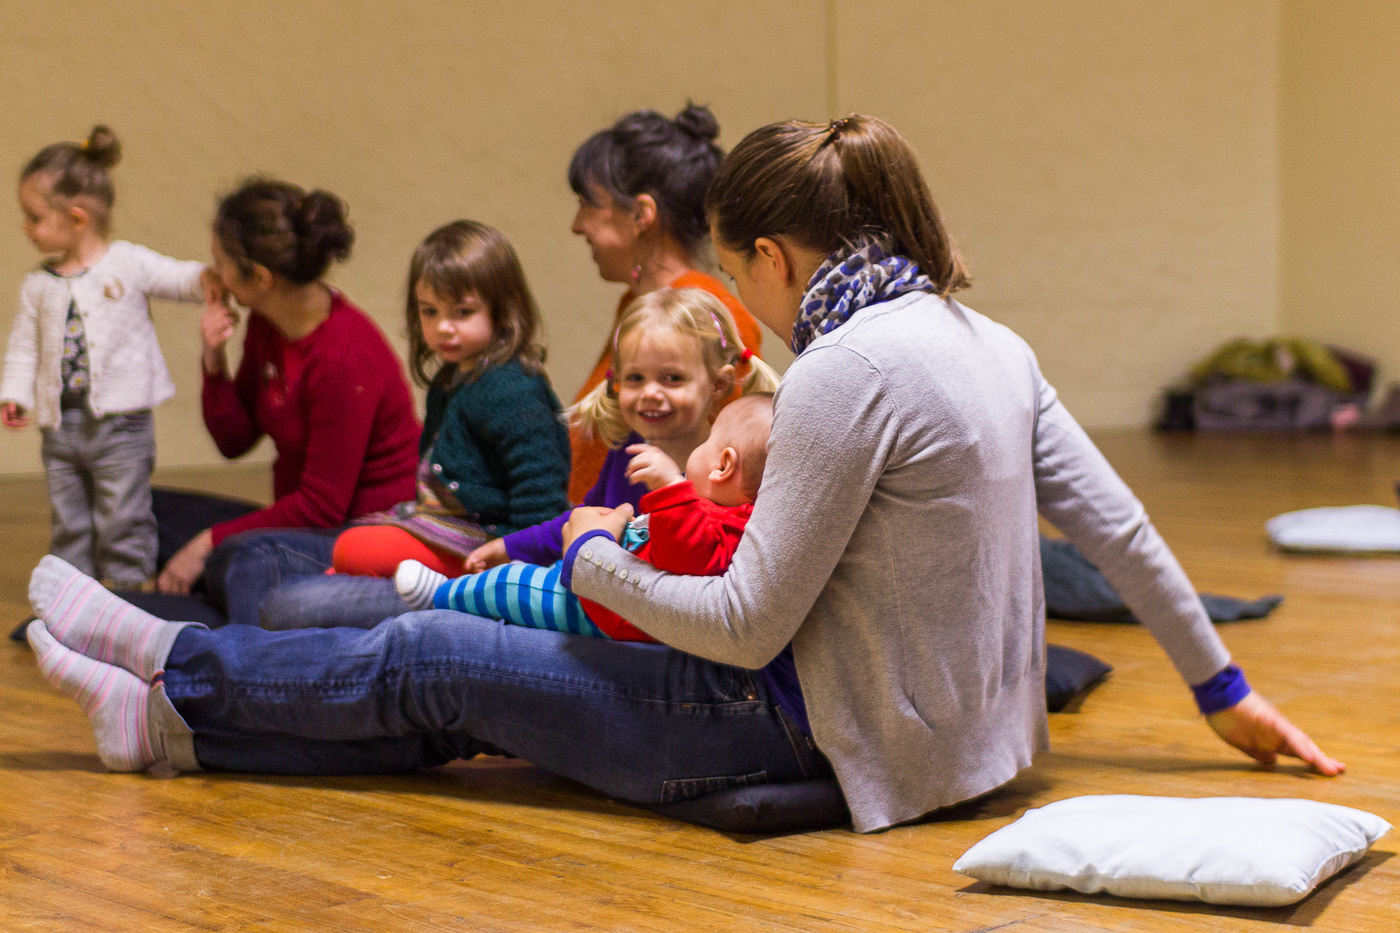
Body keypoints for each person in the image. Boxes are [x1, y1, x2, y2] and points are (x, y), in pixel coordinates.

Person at [22, 116, 1340, 835]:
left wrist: (592, 549)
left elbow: (747, 625)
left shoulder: (842, 369)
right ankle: (172, 722)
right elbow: (1119, 525)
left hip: (801, 732)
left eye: (739, 267)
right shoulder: (987, 340)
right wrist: (1220, 690)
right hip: (958, 745)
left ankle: (176, 664)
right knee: (450, 692)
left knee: (431, 651)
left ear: (771, 256)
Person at [249, 221, 573, 628]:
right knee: (338, 559)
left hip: (483, 549)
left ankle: (440, 591)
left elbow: (541, 501)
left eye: (462, 312)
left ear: (503, 309)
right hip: (444, 531)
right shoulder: (450, 379)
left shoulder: (513, 388)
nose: (442, 327)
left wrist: (509, 570)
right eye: (429, 311)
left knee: (350, 551)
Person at [151, 179, 421, 624]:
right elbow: (234, 441)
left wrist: (207, 542)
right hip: (298, 526)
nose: (212, 276)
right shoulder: (266, 324)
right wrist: (214, 361)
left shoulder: (344, 356)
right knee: (144, 509)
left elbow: (322, 507)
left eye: (220, 264)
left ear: (260, 278)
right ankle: (215, 604)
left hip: (353, 535)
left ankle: (221, 621)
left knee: (240, 558)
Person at [396, 367, 775, 644]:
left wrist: (671, 487)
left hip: (612, 611)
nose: (650, 393)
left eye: (709, 442)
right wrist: (515, 545)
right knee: (523, 577)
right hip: (600, 588)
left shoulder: (728, 523)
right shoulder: (700, 503)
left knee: (513, 585)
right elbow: (579, 518)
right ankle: (454, 594)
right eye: (634, 377)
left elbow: (687, 555)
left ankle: (441, 596)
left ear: (723, 465)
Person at [1, 125, 212, 588]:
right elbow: (23, 344)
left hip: (121, 426)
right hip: (62, 426)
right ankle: (74, 595)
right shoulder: (38, 284)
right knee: (70, 521)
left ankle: (128, 595)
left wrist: (216, 278)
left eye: (34, 217)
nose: (26, 227)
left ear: (77, 219)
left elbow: (178, 279)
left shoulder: (127, 263)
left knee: (123, 519)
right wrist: (15, 393)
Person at [565, 104, 766, 502]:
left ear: (641, 214)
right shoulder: (636, 304)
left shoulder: (711, 315)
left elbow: (732, 487)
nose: (577, 225)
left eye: (589, 203)